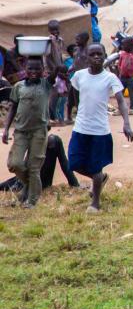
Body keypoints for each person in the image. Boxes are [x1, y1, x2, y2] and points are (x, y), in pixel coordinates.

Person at [68, 43, 133, 213]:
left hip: (100, 131)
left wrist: (126, 123)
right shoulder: (79, 76)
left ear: (105, 56)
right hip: (80, 128)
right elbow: (75, 94)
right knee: (74, 163)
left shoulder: (110, 78)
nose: (96, 57)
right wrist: (74, 111)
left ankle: (95, 202)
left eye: (100, 54)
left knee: (95, 167)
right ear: (87, 58)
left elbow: (120, 101)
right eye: (93, 54)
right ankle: (100, 179)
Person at [3, 57, 50, 207]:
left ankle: (32, 200)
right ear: (24, 68)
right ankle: (29, 185)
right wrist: (5, 129)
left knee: (34, 166)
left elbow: (55, 73)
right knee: (14, 163)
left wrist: (50, 51)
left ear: (43, 70)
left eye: (37, 69)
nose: (34, 72)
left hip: (39, 132)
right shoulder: (18, 86)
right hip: (21, 131)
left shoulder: (46, 85)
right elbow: (13, 108)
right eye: (30, 68)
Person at [0, 132, 79, 199]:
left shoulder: (54, 142)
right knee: (10, 183)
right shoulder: (38, 140)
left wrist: (75, 185)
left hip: (38, 182)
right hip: (27, 180)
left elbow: (64, 164)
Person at [113, 36, 133, 113]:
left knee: (131, 93)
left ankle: (132, 109)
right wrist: (120, 71)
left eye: (124, 45)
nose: (123, 47)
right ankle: (120, 109)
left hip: (131, 78)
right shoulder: (122, 54)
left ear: (130, 45)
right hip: (122, 77)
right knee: (120, 94)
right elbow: (119, 64)